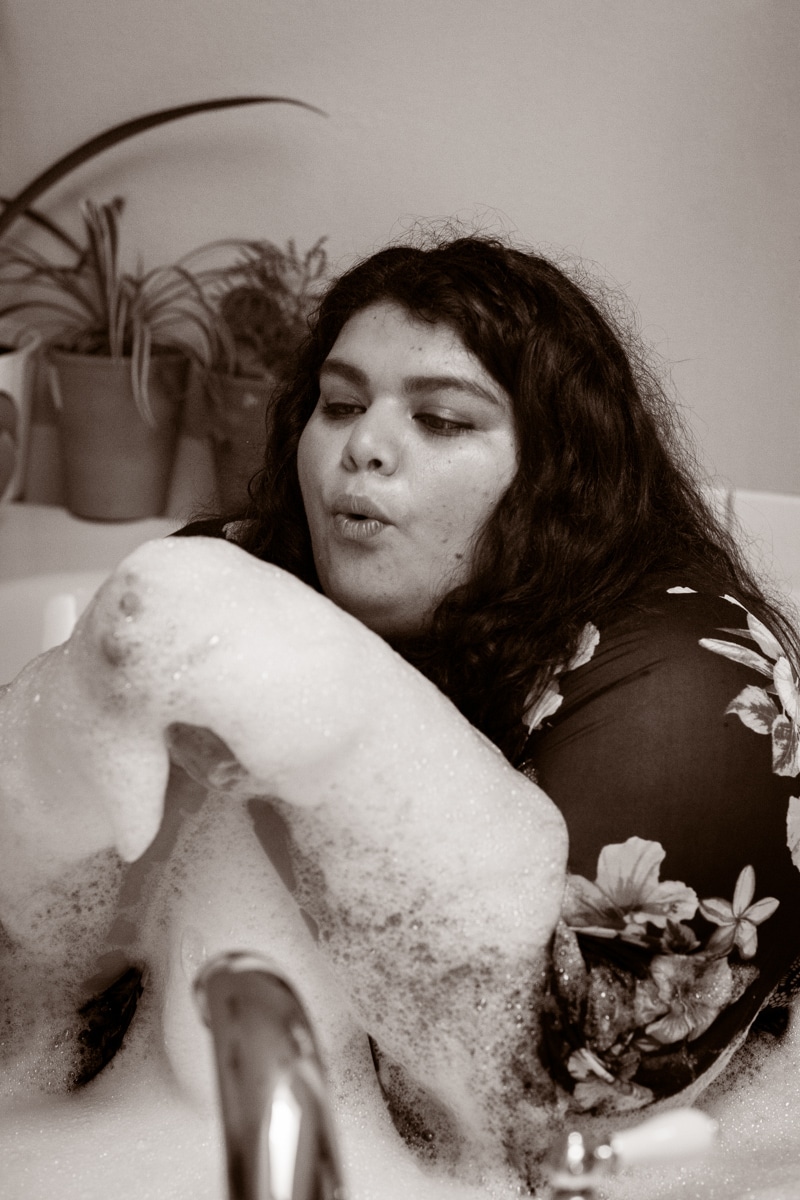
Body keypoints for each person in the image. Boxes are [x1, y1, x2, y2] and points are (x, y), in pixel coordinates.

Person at [177, 233, 800, 1116]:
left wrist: (290, 755)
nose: (365, 448)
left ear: (561, 473)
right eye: (341, 403)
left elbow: (550, 1092)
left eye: (441, 420)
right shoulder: (243, 578)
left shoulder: (684, 689)